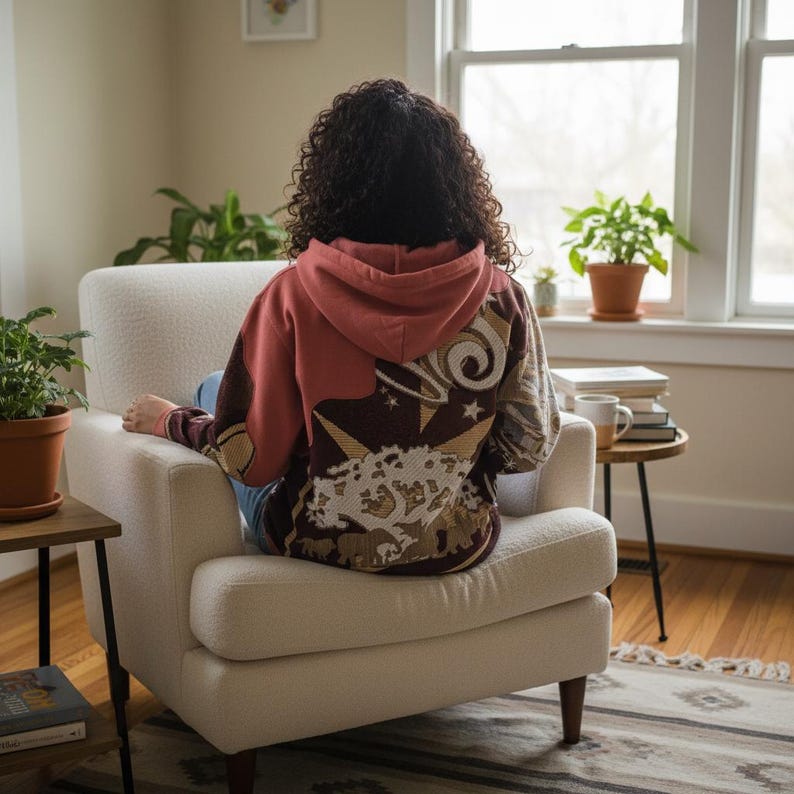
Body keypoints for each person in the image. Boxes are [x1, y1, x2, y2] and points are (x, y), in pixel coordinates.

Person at [122, 78, 560, 575]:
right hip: (457, 545)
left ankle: (194, 403)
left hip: (314, 545)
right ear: (456, 183)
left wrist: (168, 421)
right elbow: (527, 445)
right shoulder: (503, 298)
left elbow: (252, 462)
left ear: (333, 181)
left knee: (214, 387)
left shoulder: (290, 297)